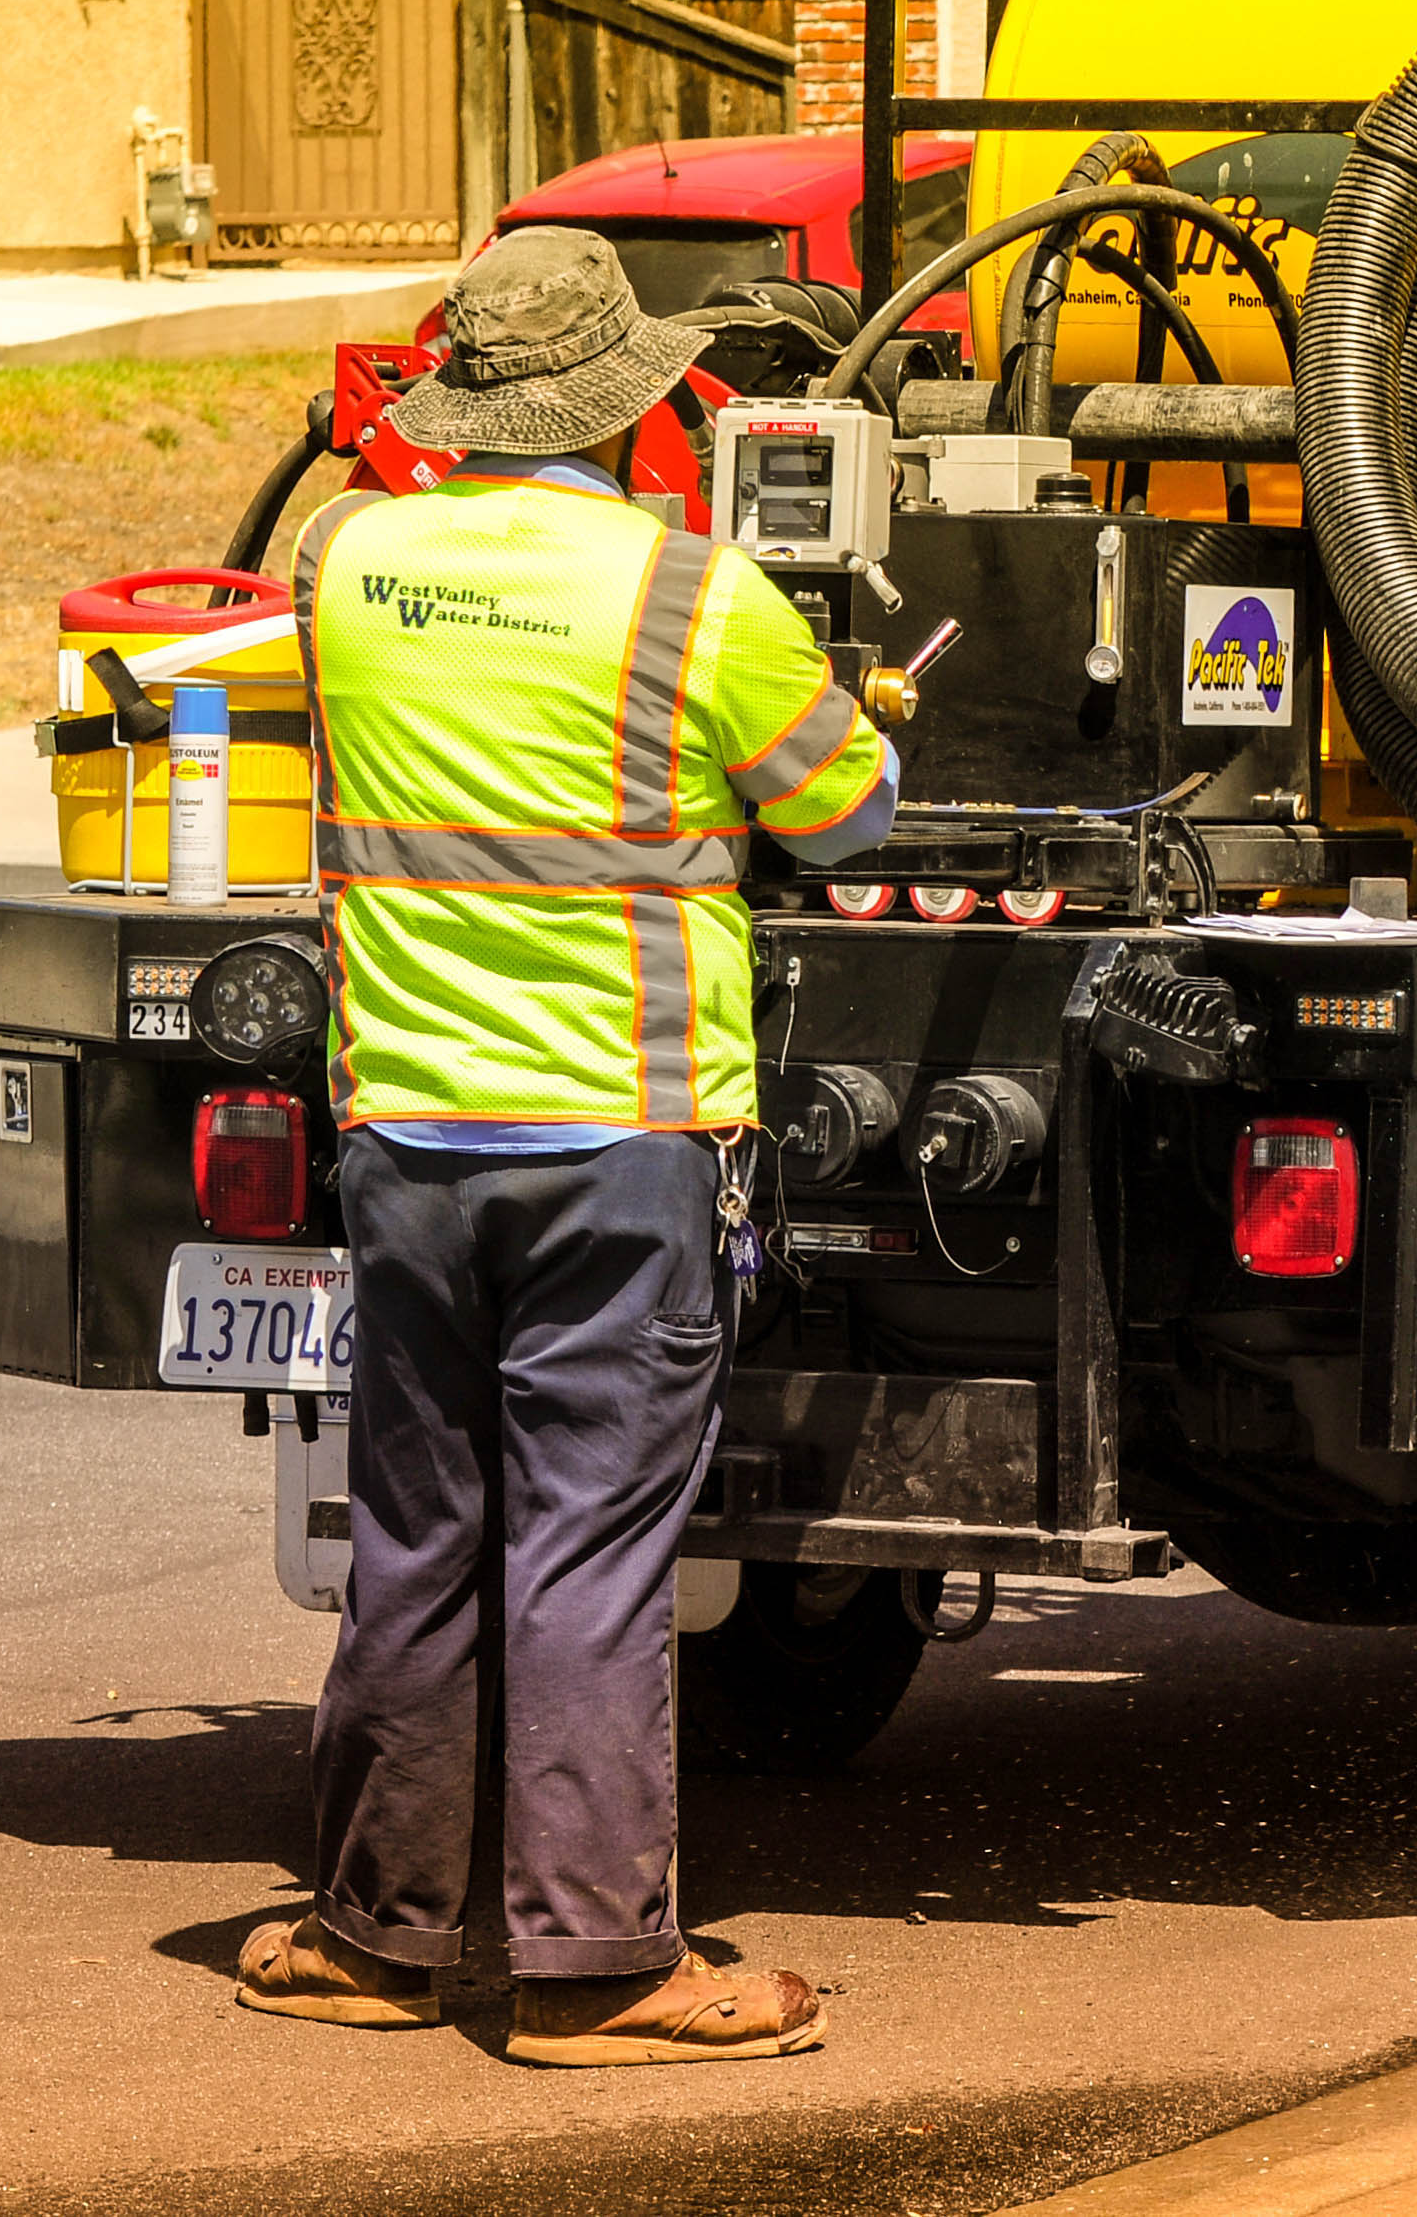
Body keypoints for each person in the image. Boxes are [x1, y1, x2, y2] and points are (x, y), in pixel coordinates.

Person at [233, 227, 898, 2064]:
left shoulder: (348, 562)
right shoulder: (692, 595)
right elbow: (846, 816)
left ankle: (381, 1931)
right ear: (635, 399)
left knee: (423, 1534)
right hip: (617, 1141)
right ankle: (595, 1964)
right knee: (590, 1548)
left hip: (407, 1143)